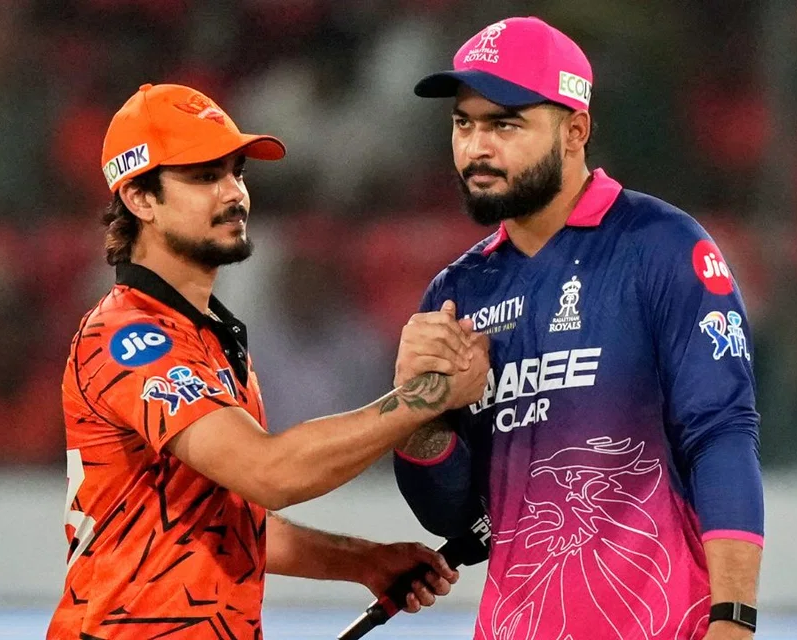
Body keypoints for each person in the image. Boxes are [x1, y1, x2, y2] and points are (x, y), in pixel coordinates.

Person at [47, 83, 490, 639]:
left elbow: (221, 520)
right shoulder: (128, 337)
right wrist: (428, 396)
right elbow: (269, 473)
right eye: (205, 176)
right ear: (140, 199)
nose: (234, 194)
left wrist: (361, 561)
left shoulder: (205, 337)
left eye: (237, 173)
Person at [391, 17, 763, 640]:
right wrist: (418, 416)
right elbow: (454, 518)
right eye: (463, 123)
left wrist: (734, 622)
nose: (475, 147)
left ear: (575, 130)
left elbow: (722, 434)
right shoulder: (455, 294)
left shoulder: (662, 246)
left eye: (504, 123)